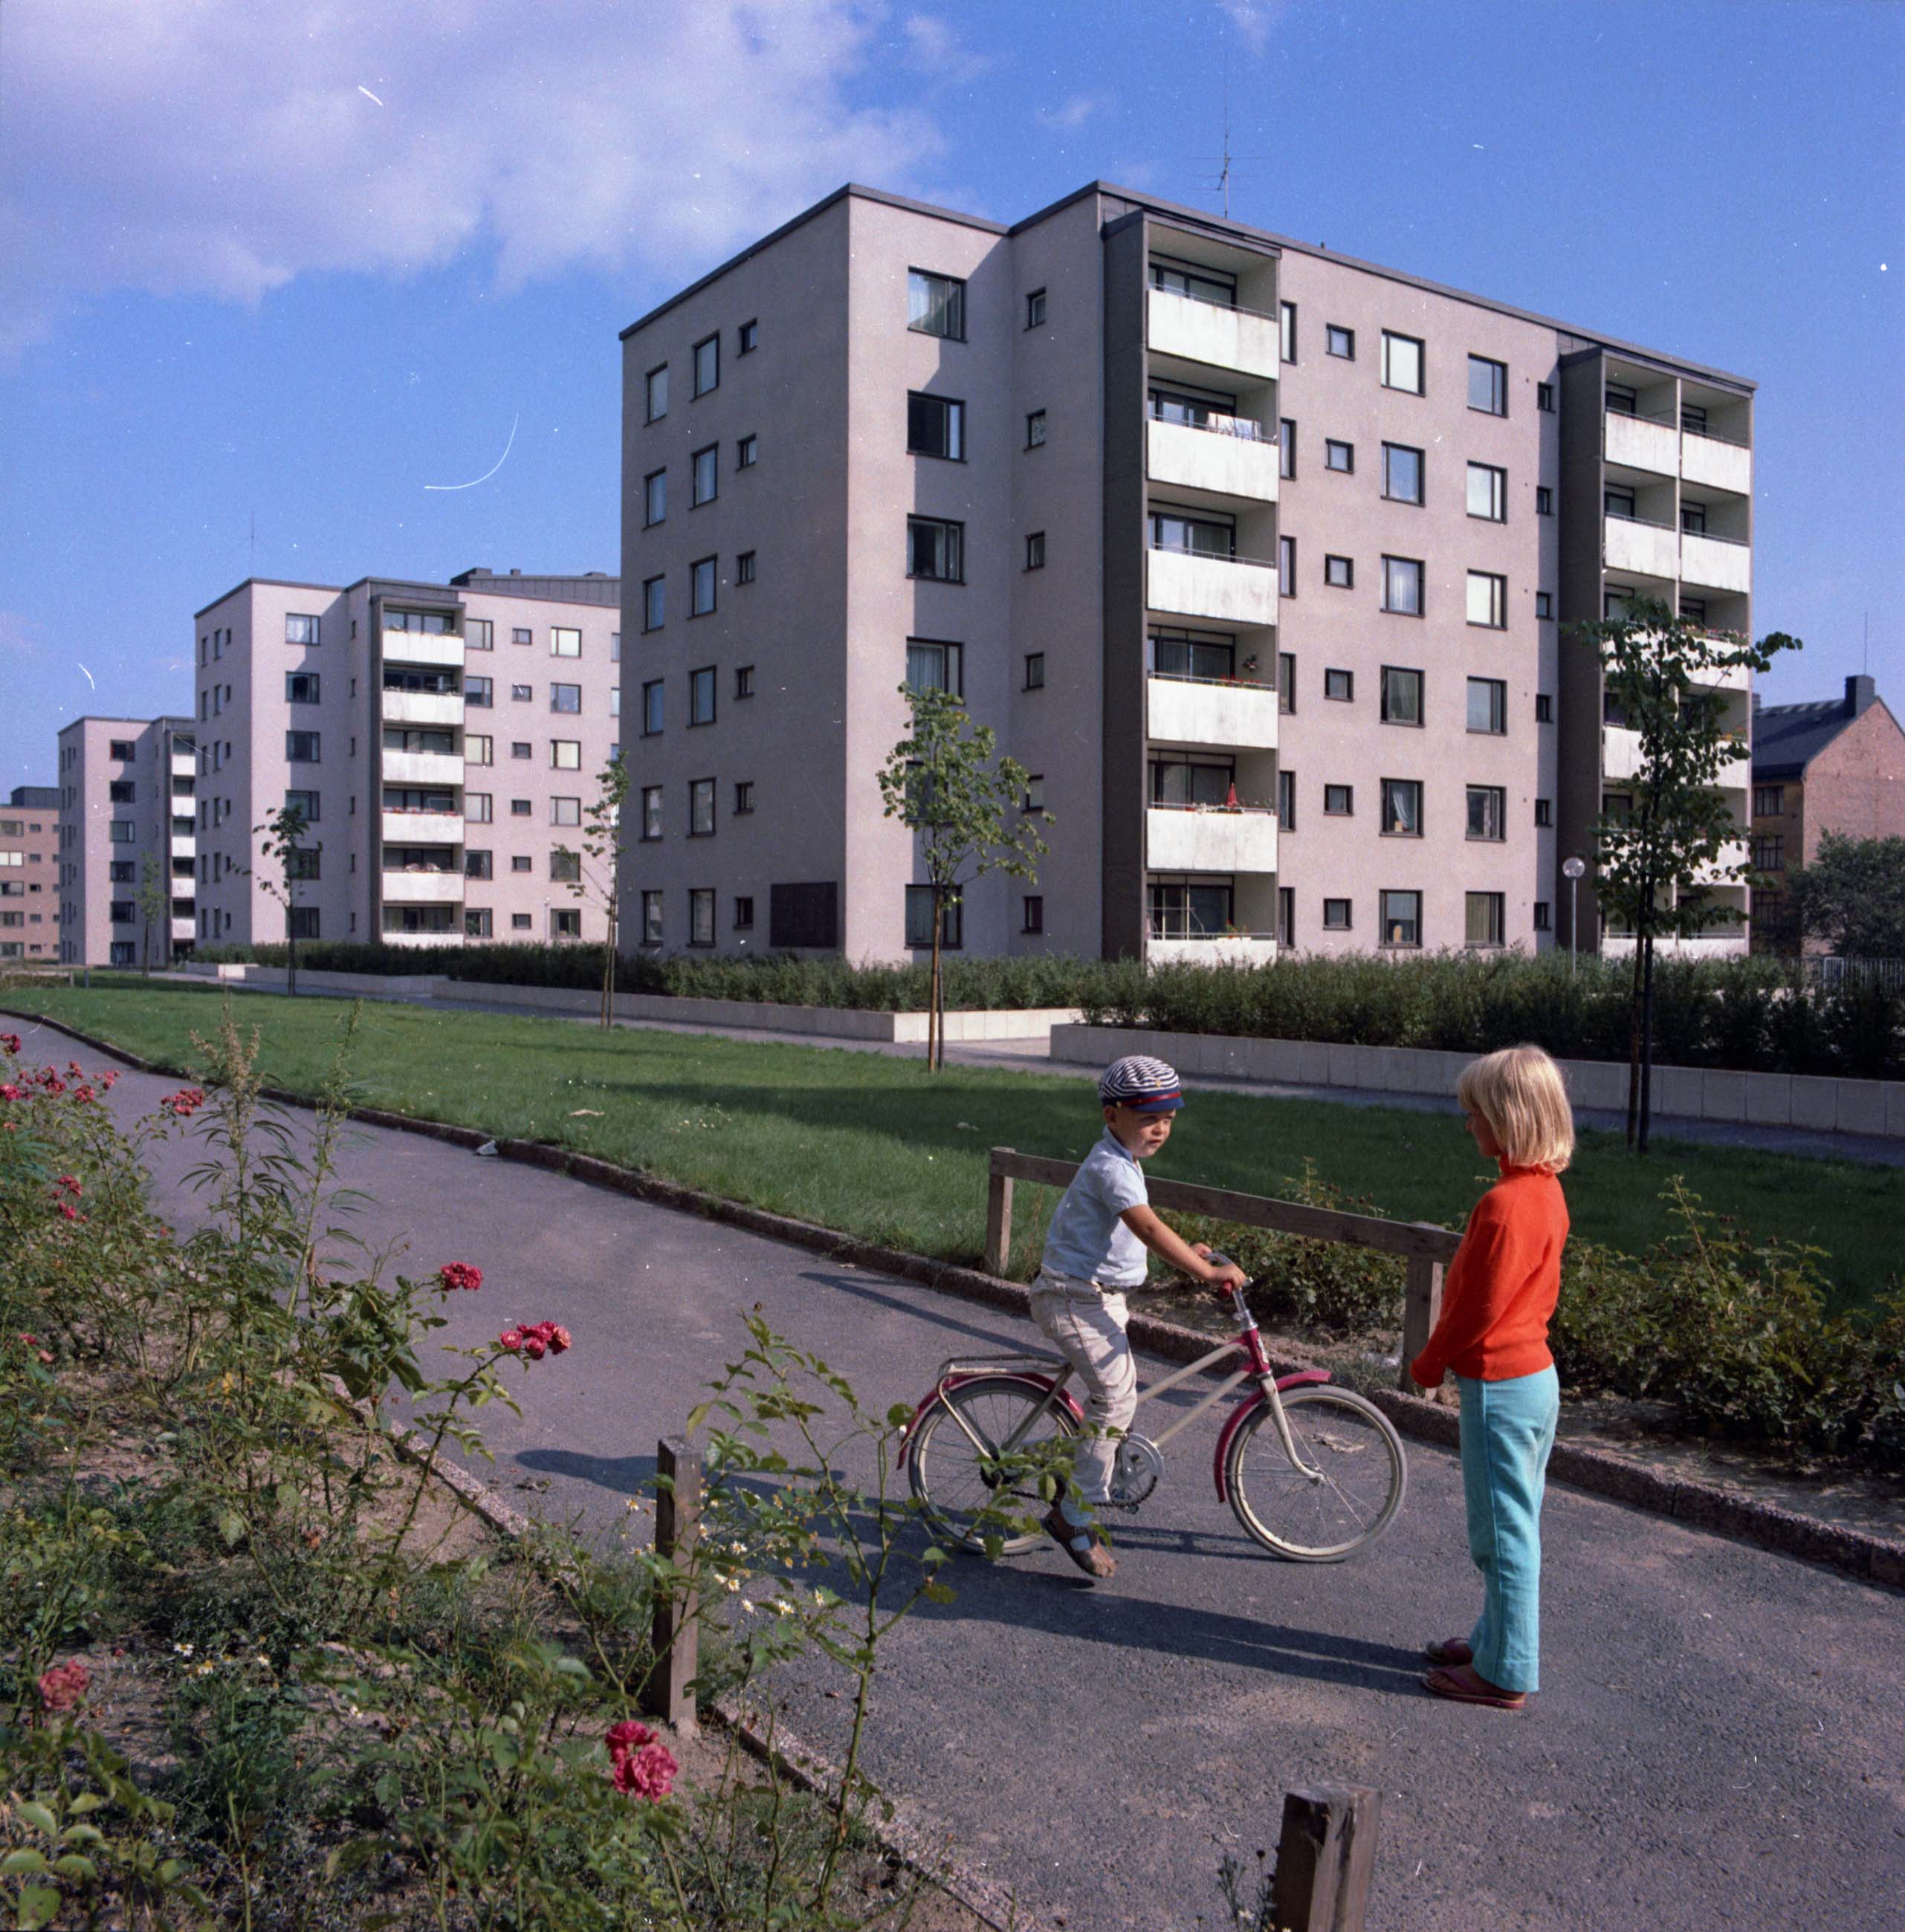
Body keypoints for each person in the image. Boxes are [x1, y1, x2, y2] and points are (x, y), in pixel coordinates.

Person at [1033, 1054, 1247, 1579]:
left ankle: (1073, 1464)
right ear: (1112, 1117)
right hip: (1071, 1299)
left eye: (1169, 1118)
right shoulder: (1111, 1168)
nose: (1160, 1128)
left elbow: (1138, 1230)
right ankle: (1072, 1515)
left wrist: (1191, 1251)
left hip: (1095, 1298)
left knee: (1115, 1397)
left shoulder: (1121, 1161)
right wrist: (1203, 1270)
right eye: (1147, 1117)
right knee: (1114, 1398)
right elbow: (1148, 1228)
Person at [1411, 1043, 1575, 1711]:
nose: (1468, 1124)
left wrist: (1426, 1364)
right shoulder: (1544, 1192)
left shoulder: (1503, 1204)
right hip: (1533, 1378)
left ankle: (1506, 1672)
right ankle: (1492, 1640)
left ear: (1507, 1117)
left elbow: (1474, 1306)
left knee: (1500, 1534)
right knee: (1515, 1520)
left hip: (1500, 1387)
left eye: (1474, 1113)